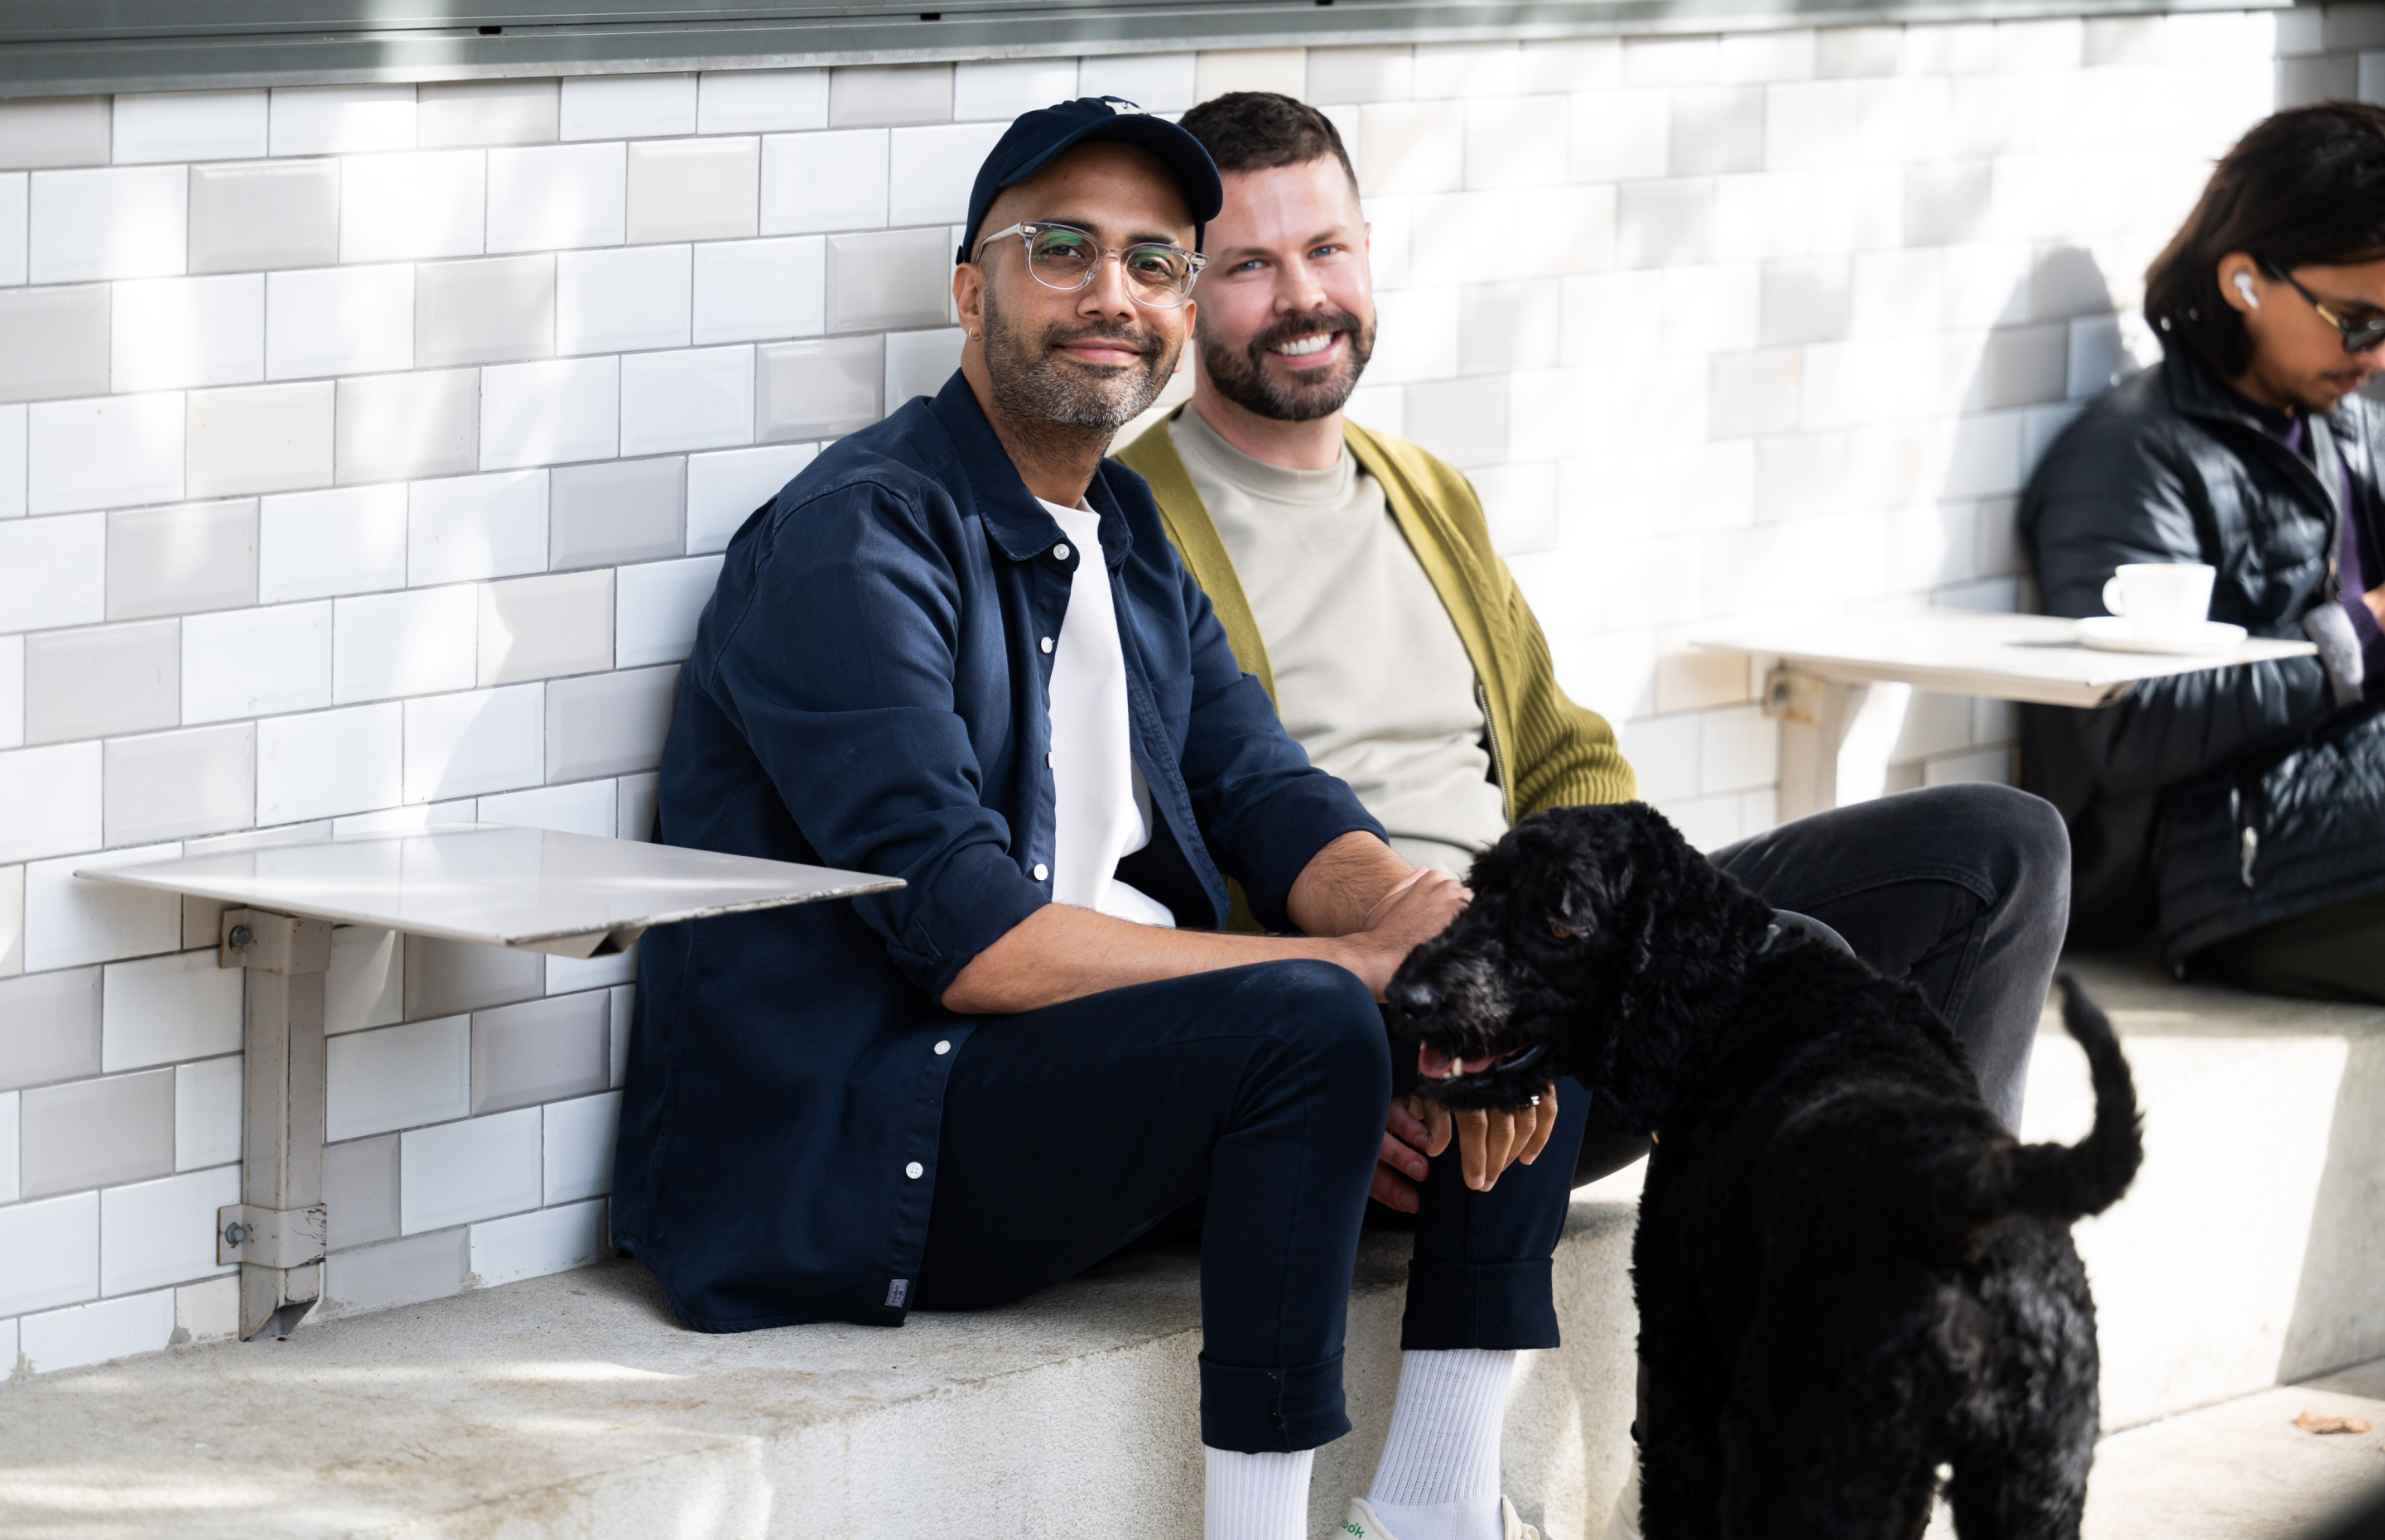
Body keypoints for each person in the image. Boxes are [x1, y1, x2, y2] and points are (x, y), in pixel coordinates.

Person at [1115, 92, 2073, 1539]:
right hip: (1388, 1011)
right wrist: (1335, 1056)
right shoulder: (1137, 521)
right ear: (1183, 295)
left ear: (1369, 250)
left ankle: (1943, 1251)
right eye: (1250, 264)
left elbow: (1568, 756)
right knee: (1791, 970)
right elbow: (1181, 848)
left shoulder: (1419, 489)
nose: (1303, 296)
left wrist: (1637, 915)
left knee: (1996, 849)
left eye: (1328, 248)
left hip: (1555, 948)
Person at [610, 98, 1568, 1540]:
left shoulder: (1121, 532)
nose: (1110, 294)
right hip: (880, 1140)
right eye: (1061, 249)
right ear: (969, 290)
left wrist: (1426, 935)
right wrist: (1350, 974)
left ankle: (1438, 1501)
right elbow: (973, 943)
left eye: (1153, 262)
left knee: (1532, 976)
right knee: (1309, 1017)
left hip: (1094, 1090)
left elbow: (1267, 789)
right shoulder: (855, 541)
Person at [2021, 103, 2385, 1003]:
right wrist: (2364, 634)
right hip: (2232, 865)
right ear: (2244, 282)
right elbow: (2134, 722)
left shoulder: (2340, 423)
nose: (2376, 356)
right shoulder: (2133, 457)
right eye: (2358, 320)